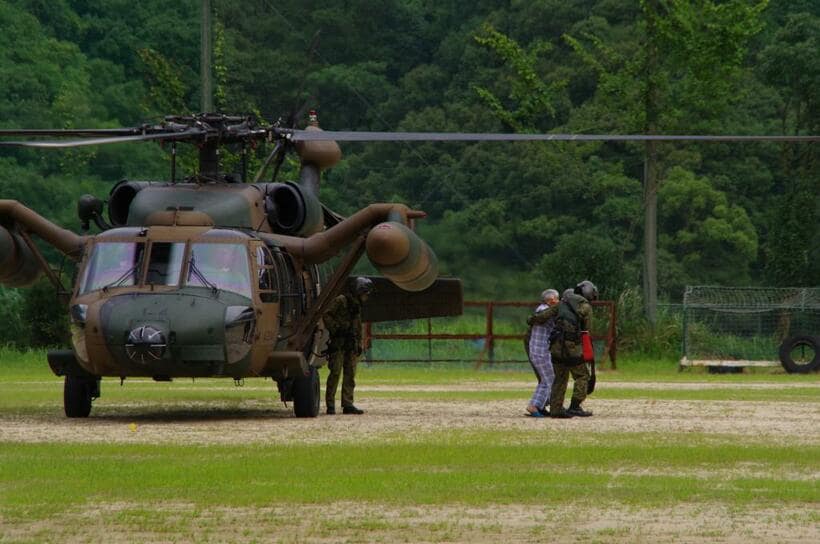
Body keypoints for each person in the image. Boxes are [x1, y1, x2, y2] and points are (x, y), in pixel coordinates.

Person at [528, 280, 598, 418]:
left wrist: (530, 319)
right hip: (572, 348)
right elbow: (587, 330)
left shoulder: (561, 303)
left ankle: (556, 409)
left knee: (559, 378)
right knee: (582, 375)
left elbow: (541, 316)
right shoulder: (585, 306)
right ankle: (575, 406)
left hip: (556, 347)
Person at [323, 277, 373, 415]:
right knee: (335, 373)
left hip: (350, 344)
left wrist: (358, 343)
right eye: (365, 293)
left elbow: (357, 326)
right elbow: (327, 315)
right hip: (339, 343)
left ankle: (347, 403)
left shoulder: (356, 306)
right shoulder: (341, 300)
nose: (366, 297)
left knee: (350, 374)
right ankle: (330, 405)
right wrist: (336, 329)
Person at [524, 288, 560, 417]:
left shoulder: (543, 309)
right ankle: (534, 406)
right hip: (541, 352)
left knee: (546, 380)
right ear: (551, 300)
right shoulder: (542, 310)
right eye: (557, 299)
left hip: (539, 351)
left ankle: (538, 405)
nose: (558, 301)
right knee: (551, 380)